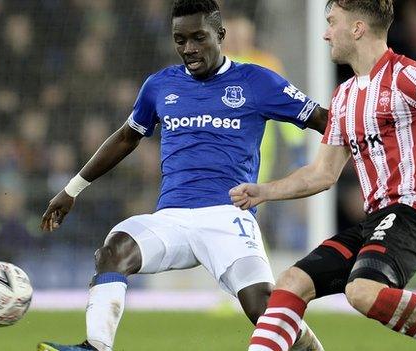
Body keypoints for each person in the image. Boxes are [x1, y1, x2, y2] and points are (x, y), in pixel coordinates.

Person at [37, 1, 328, 350]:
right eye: (180, 40)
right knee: (114, 251)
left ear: (220, 35)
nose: (188, 49)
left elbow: (324, 120)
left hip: (228, 214)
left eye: (198, 38)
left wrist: (368, 143)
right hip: (172, 219)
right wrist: (72, 190)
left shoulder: (256, 80)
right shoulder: (160, 85)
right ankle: (96, 346)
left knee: (263, 308)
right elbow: (127, 137)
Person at [229, 1, 416, 350]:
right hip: (377, 219)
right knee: (291, 283)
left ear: (358, 28)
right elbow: (322, 173)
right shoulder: (344, 96)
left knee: (362, 291)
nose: (325, 32)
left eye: (332, 22)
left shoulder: (407, 76)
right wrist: (264, 191)